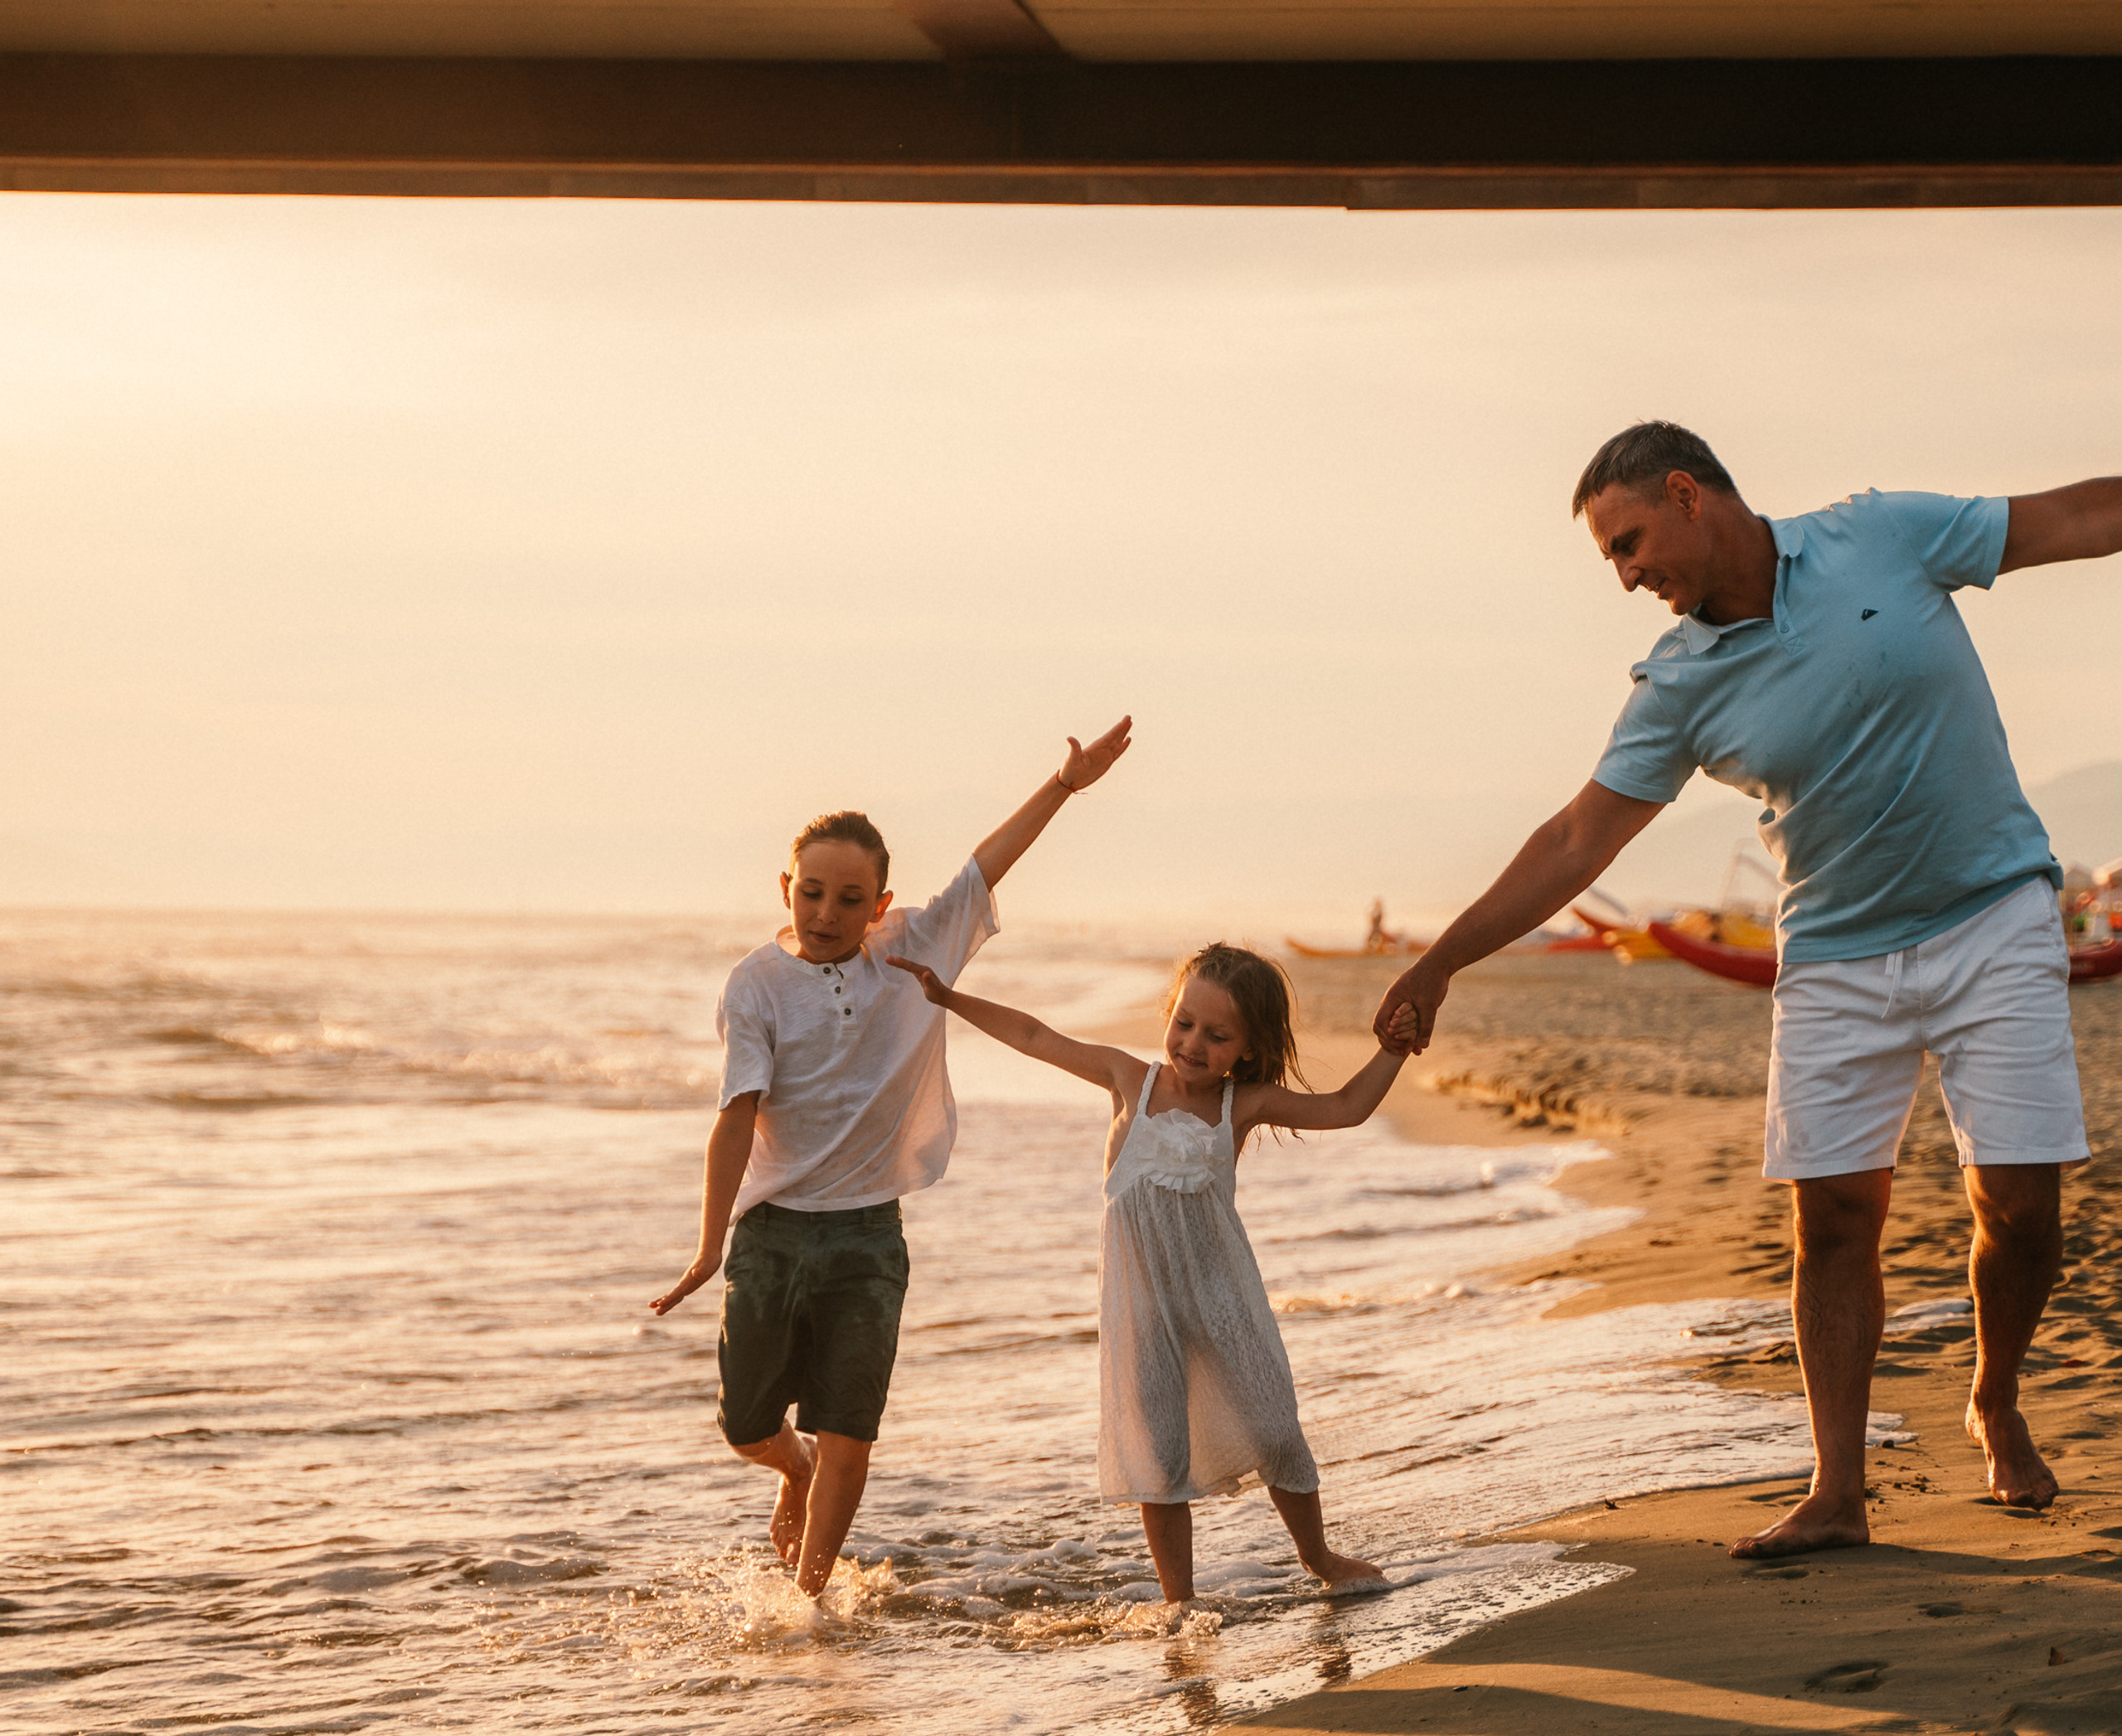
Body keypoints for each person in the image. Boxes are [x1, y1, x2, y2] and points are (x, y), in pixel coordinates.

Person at [1373, 422, 2122, 1562]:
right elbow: (1576, 841)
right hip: (1834, 957)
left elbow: (2069, 520)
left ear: (1687, 495)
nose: (1627, 576)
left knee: (2019, 1208)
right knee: (1831, 1221)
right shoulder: (1678, 684)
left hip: (1991, 918)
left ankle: (1996, 1395)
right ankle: (1837, 1488)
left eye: (1629, 543)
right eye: (1611, 561)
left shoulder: (1882, 535)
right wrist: (1440, 961)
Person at [650, 718, 1133, 1597]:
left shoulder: (910, 953)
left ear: (879, 904)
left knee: (850, 1425)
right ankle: (788, 1471)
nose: (827, 913)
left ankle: (812, 1601)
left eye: (848, 898)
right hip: (773, 1234)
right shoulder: (755, 982)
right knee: (746, 1421)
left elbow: (986, 867)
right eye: (810, 893)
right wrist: (709, 1241)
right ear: (785, 889)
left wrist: (1062, 786)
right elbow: (734, 1115)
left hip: (869, 1237)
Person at [888, 940, 1396, 1603]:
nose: (1192, 1044)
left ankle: (1318, 1556)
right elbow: (1036, 1035)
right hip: (1141, 1306)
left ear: (1246, 1047)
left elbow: (1344, 1107)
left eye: (1216, 1036)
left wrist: (1396, 1047)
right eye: (1184, 1023)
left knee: (1276, 1427)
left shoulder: (1241, 1105)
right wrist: (949, 998)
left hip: (1223, 1297)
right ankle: (1178, 1600)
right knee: (1159, 1455)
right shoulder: (1130, 1079)